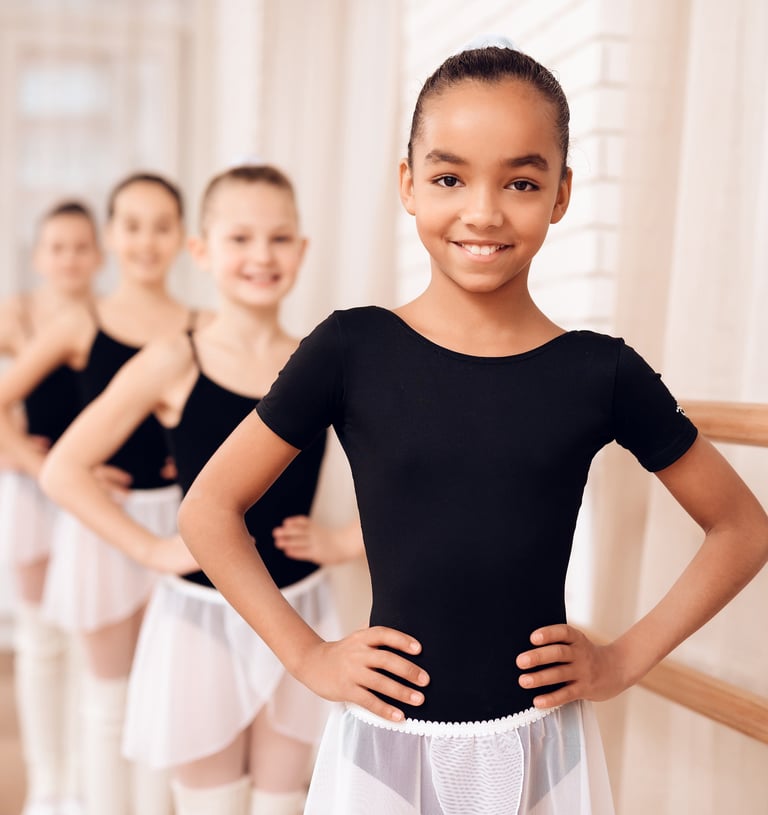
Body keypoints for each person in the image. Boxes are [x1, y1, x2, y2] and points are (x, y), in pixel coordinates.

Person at [176, 45, 768, 814]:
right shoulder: (351, 348)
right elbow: (207, 509)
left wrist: (622, 659)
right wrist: (308, 655)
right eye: (450, 178)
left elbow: (741, 526)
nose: (483, 211)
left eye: (521, 182)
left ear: (561, 194)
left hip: (542, 741)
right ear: (408, 185)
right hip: (385, 743)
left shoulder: (601, 371)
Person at [41, 164, 354, 815]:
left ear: (301, 250)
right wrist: (153, 550)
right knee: (209, 802)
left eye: (278, 238)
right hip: (201, 619)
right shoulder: (174, 357)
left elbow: (405, 474)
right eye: (240, 238)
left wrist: (345, 540)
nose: (261, 256)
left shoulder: (322, 361)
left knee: (281, 800)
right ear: (203, 251)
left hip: (298, 609)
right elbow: (63, 469)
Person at [0, 172, 198, 815]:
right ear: (112, 236)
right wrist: (42, 463)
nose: (145, 241)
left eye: (160, 226)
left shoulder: (201, 327)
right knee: (107, 699)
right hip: (100, 521)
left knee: (163, 692)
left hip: (178, 523)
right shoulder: (82, 322)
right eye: (132, 226)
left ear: (182, 238)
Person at [0, 200, 102, 815]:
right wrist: (38, 463)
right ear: (39, 257)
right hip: (37, 495)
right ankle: (47, 781)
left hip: (93, 499)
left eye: (80, 247)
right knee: (41, 643)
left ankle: (86, 783)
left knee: (88, 641)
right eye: (57, 247)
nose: (68, 258)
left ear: (97, 256)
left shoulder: (104, 321)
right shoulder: (15, 319)